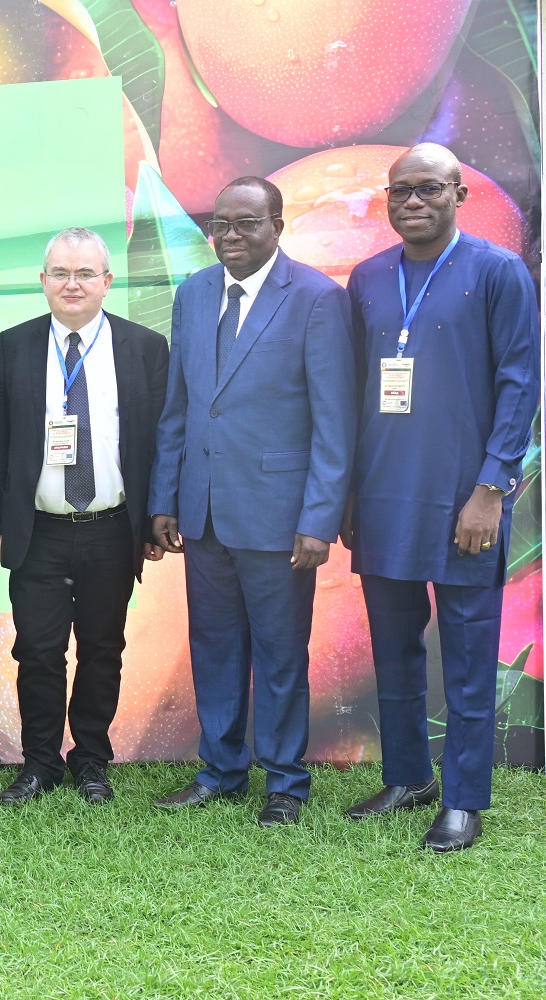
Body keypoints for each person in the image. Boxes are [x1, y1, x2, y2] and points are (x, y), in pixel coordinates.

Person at [342, 143, 540, 852]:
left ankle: (463, 799)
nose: (414, 202)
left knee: (466, 654)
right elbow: (351, 390)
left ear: (459, 193)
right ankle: (407, 777)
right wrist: (349, 495)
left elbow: (521, 383)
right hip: (382, 497)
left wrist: (491, 489)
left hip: (464, 500)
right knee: (393, 649)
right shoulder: (368, 278)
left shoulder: (497, 271)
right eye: (401, 191)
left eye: (429, 188)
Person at [148, 178, 356, 826]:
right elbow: (180, 406)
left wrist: (319, 519)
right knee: (213, 645)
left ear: (277, 226)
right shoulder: (194, 293)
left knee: (279, 654)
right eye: (221, 225)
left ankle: (286, 782)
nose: (231, 236)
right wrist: (165, 496)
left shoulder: (317, 298)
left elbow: (335, 422)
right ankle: (220, 771)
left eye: (247, 223)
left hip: (278, 514)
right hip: (203, 510)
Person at [0, 227, 169, 806]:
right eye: (61, 273)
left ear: (107, 282)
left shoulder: (144, 347)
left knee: (102, 649)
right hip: (38, 529)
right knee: (37, 652)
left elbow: (158, 444)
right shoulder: (14, 345)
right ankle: (39, 762)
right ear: (43, 281)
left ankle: (90, 760)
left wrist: (153, 520)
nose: (72, 284)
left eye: (85, 273)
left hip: (111, 530)